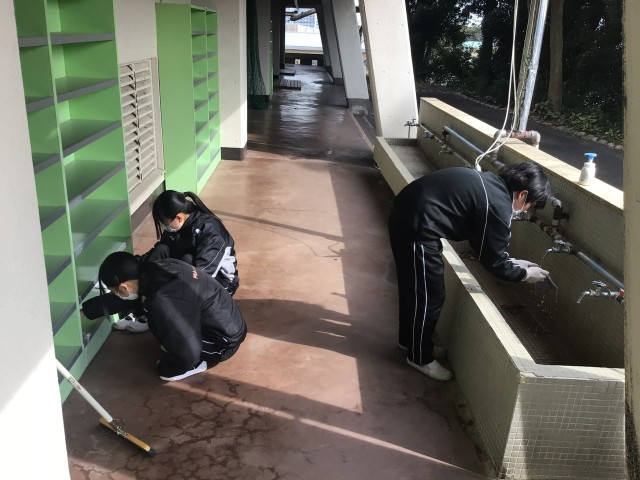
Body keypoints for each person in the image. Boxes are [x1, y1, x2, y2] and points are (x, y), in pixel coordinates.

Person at [388, 162, 552, 381]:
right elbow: (494, 262)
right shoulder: (499, 204)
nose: (525, 210)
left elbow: (481, 242)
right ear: (523, 194)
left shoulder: (491, 185)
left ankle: (410, 342)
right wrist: (524, 274)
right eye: (529, 205)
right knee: (430, 296)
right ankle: (419, 357)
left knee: (415, 287)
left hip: (406, 214)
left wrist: (513, 261)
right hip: (417, 228)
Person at [82, 252, 247, 382]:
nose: (116, 294)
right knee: (158, 319)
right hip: (227, 323)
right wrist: (86, 310)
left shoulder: (163, 301)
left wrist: (167, 367)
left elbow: (188, 349)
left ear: (124, 287)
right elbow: (125, 299)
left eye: (115, 291)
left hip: (221, 343)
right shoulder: (157, 269)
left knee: (168, 349)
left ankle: (196, 364)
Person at [115, 190, 239, 332]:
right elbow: (159, 252)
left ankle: (155, 310)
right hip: (192, 272)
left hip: (219, 283)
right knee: (162, 250)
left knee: (186, 261)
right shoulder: (178, 224)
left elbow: (203, 274)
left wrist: (168, 292)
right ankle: (145, 306)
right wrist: (133, 267)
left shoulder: (211, 231)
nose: (163, 227)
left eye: (164, 223)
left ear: (178, 217)